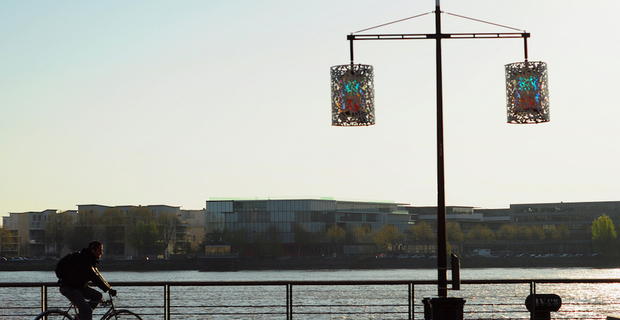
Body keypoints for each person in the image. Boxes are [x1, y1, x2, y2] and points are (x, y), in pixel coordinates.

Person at [59, 241, 117, 320]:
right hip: (69, 288)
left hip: (78, 286)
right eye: (99, 250)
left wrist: (108, 288)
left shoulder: (90, 260)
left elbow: (98, 275)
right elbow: (94, 277)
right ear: (93, 250)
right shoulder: (85, 260)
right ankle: (84, 315)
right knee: (87, 311)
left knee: (98, 296)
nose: (101, 253)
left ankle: (80, 317)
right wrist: (108, 289)